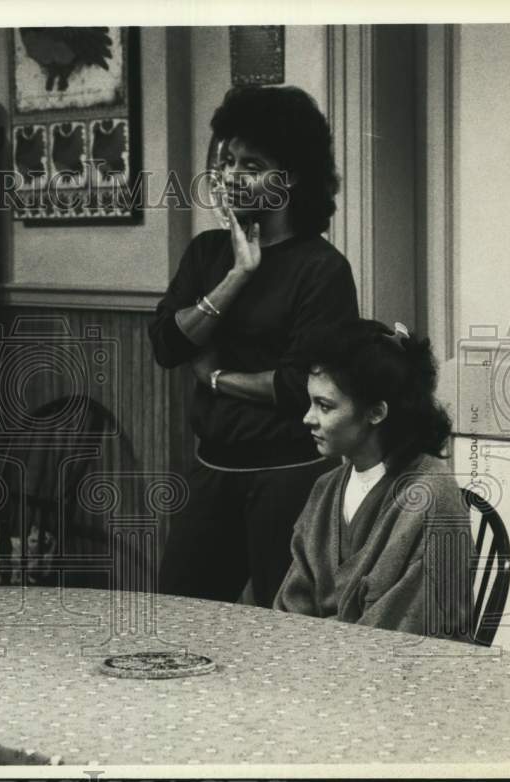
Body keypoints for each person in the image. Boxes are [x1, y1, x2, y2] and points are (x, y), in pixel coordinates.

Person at [149, 85, 358, 606]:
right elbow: (166, 345)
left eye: (253, 164)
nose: (231, 176)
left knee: (282, 629)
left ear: (292, 178)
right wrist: (238, 276)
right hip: (213, 467)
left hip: (291, 476)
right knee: (179, 612)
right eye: (229, 161)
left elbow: (297, 388)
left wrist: (217, 378)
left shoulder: (322, 270)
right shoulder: (207, 253)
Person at [274, 319, 472, 639]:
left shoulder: (432, 496)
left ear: (376, 412)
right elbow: (289, 609)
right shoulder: (325, 490)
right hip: (322, 665)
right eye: (310, 402)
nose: (308, 418)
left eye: (324, 406)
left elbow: (402, 632)